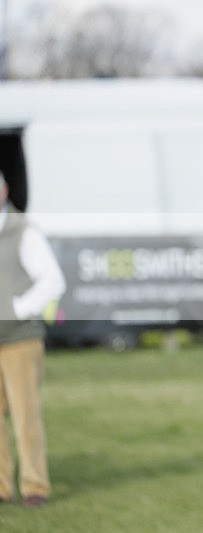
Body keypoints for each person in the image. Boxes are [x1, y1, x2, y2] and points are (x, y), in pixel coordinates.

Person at [0, 170, 65, 507]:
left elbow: (52, 281)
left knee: (25, 415)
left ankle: (34, 486)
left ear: (4, 190)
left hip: (19, 340)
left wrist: (16, 307)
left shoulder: (22, 231)